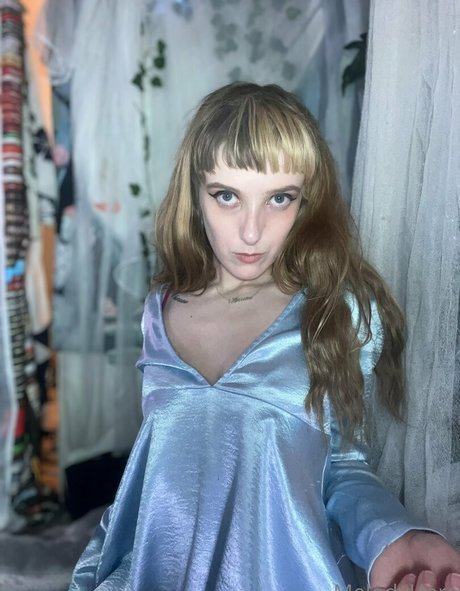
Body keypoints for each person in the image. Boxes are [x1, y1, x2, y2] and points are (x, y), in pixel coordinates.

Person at [69, 82, 460, 591]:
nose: (251, 232)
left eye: (279, 198)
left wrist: (392, 538)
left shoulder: (337, 314)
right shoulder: (159, 312)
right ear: (195, 193)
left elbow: (339, 467)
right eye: (227, 196)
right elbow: (153, 475)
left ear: (306, 200)